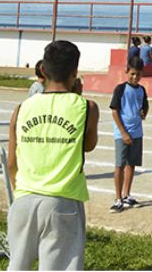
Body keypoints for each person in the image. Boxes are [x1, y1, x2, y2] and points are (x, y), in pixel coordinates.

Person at [7, 40, 99, 271]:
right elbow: (88, 146)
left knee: (17, 266)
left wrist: (20, 191)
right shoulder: (87, 107)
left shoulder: (21, 109)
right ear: (75, 72)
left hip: (24, 199)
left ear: (44, 70)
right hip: (62, 200)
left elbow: (11, 163)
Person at [109, 57, 148, 211]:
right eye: (132, 74)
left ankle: (127, 194)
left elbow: (144, 106)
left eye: (138, 74)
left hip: (137, 132)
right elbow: (114, 111)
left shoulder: (141, 90)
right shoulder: (120, 89)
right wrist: (123, 132)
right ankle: (118, 198)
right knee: (120, 165)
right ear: (127, 72)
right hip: (122, 134)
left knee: (132, 164)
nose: (135, 77)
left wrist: (143, 114)